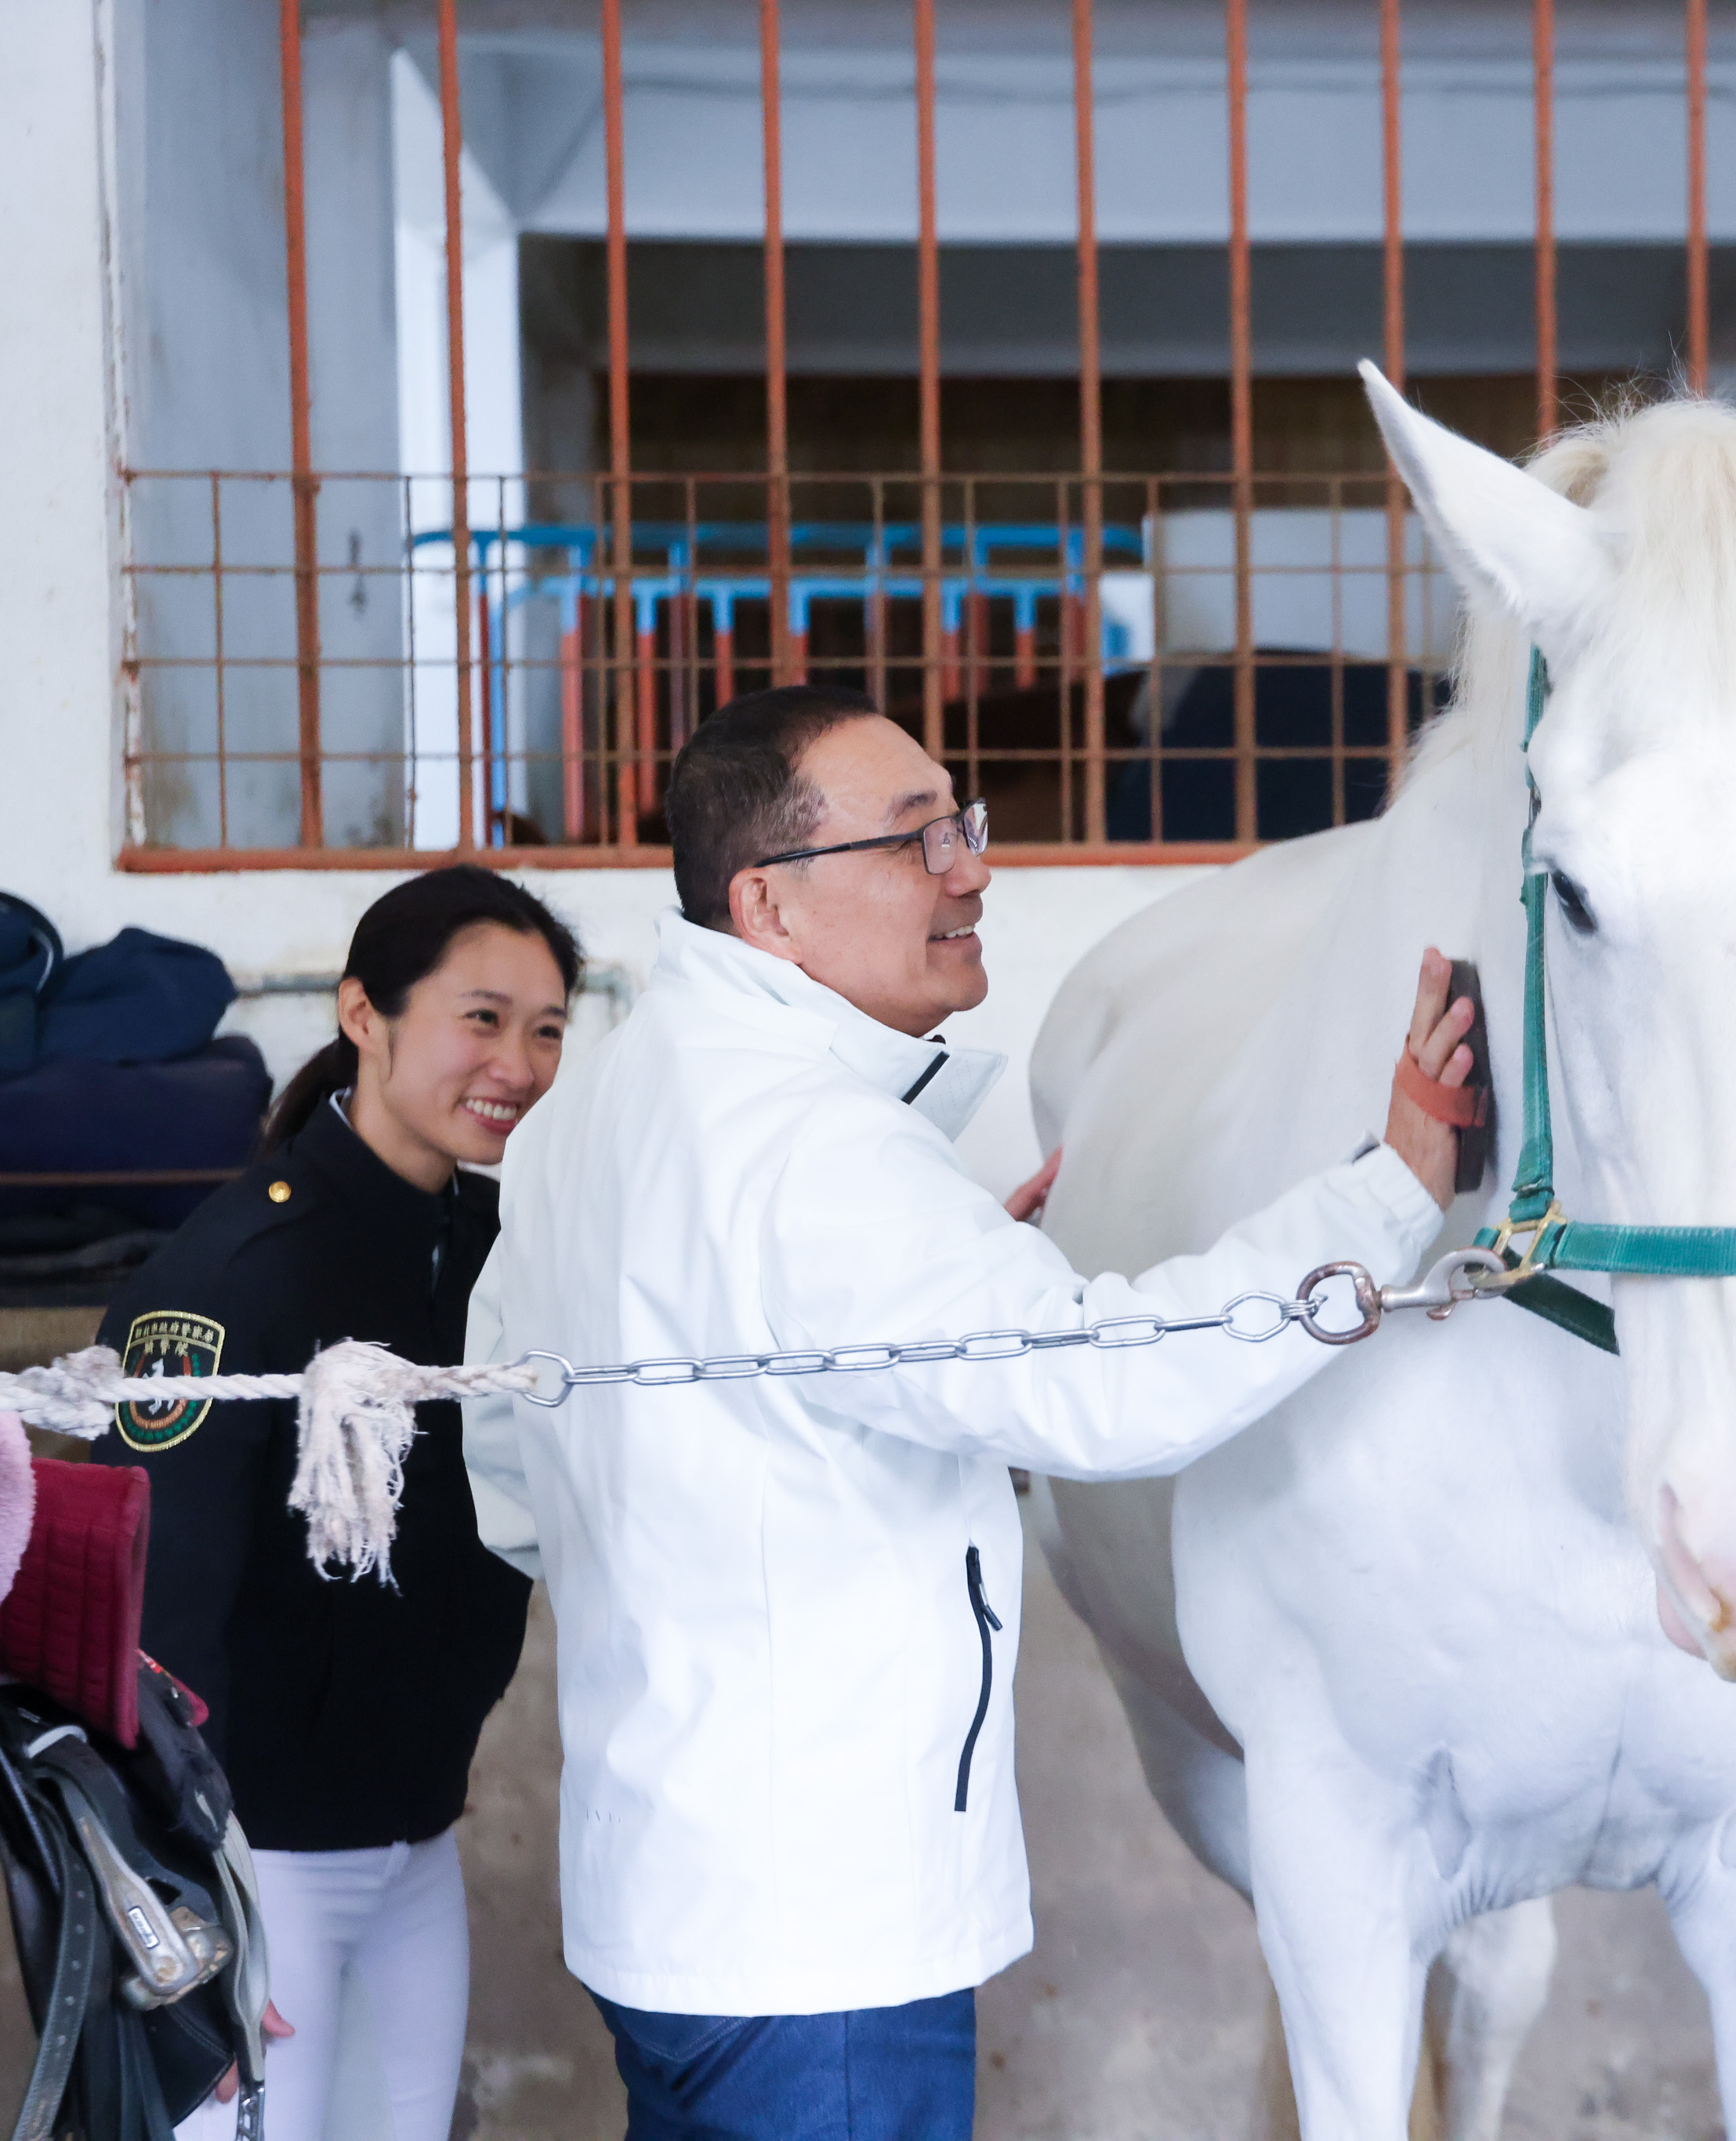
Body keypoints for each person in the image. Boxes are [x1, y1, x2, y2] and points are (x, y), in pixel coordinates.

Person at [463, 683, 1475, 2141]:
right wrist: (1389, 1195)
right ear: (770, 907)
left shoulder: (600, 1112)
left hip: (665, 1896)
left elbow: (509, 1462)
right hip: (826, 1937)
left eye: (964, 825)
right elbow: (1108, 1384)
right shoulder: (815, 1156)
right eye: (912, 840)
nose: (973, 870)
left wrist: (905, 1336)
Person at [97, 865, 584, 2141]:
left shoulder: (496, 1249)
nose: (519, 1064)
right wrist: (184, 1902)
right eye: (482, 1018)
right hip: (256, 1870)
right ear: (364, 1015)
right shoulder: (237, 1269)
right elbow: (145, 1606)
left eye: (547, 1029)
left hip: (414, 1841)